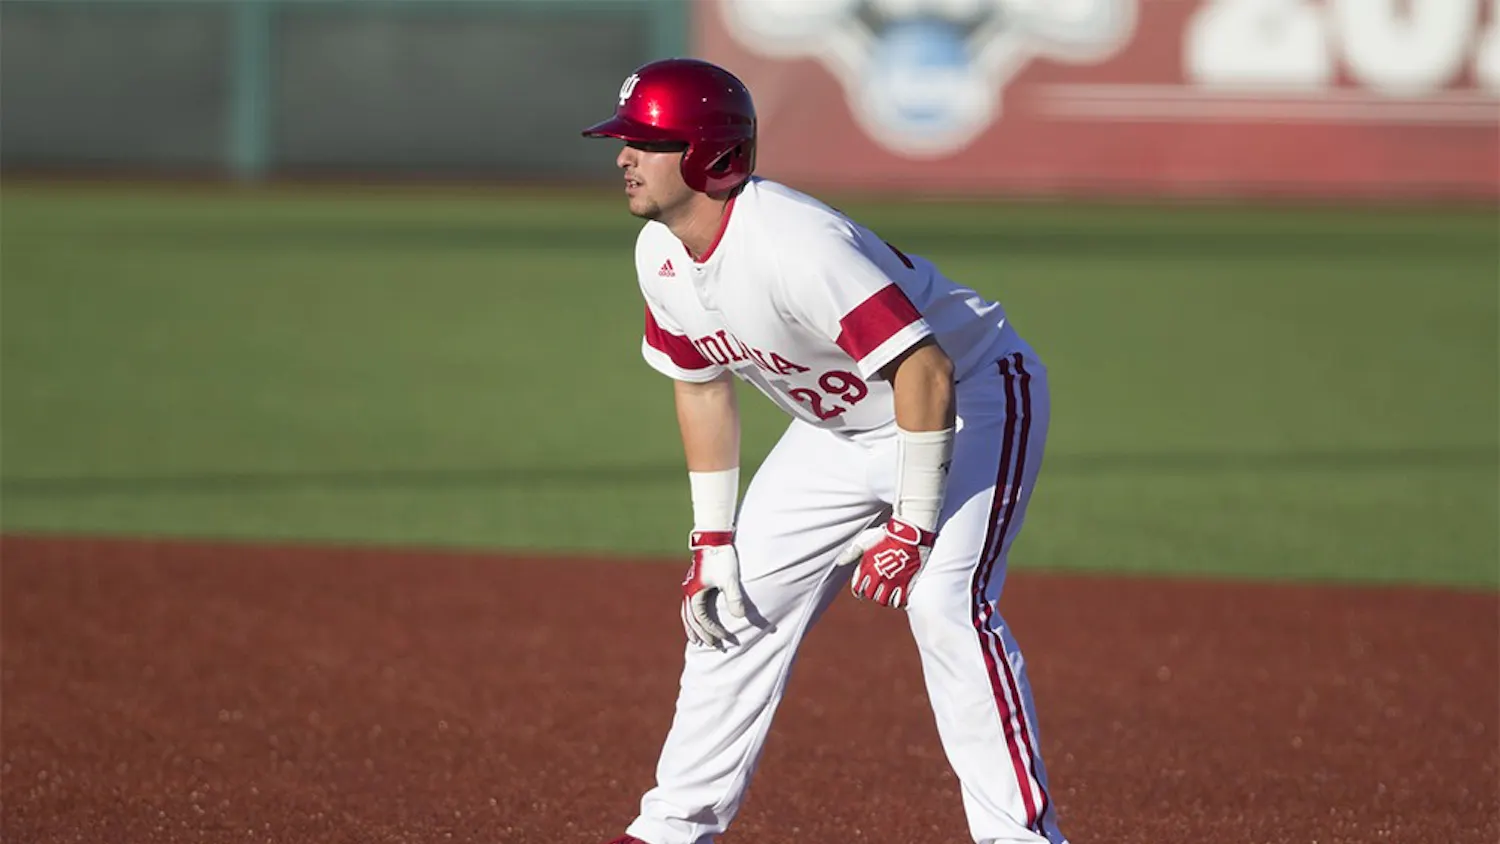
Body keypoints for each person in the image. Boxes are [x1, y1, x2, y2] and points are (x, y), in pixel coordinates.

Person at [583, 57, 1067, 844]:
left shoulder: (794, 243)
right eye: (625, 139)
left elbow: (925, 368)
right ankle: (672, 828)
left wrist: (911, 526)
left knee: (946, 606)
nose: (622, 157)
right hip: (839, 432)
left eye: (645, 140)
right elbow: (701, 386)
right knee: (727, 609)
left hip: (972, 396)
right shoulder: (661, 256)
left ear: (707, 153)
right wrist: (713, 544)